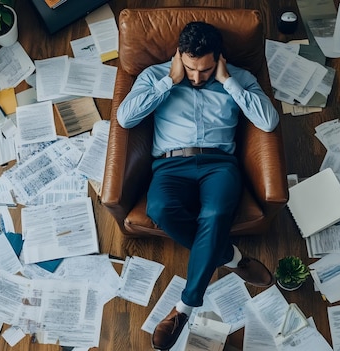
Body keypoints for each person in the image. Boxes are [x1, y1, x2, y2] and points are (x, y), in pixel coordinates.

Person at [117, 21, 279, 351]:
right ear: (178, 55)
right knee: (159, 208)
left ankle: (184, 308)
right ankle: (231, 257)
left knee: (216, 212)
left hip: (219, 165)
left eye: (204, 70)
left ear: (218, 59)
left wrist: (228, 83)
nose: (195, 77)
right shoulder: (154, 76)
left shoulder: (238, 78)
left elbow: (269, 120)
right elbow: (125, 118)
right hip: (170, 165)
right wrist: (169, 81)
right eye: (190, 68)